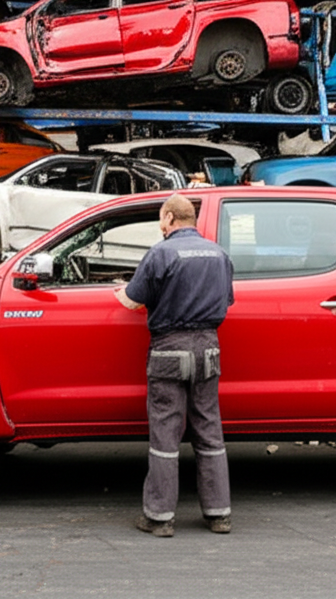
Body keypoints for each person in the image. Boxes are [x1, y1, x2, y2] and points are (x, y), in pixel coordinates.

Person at [115, 193, 235, 538]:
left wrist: (118, 290)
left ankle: (160, 517)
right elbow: (226, 300)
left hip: (169, 351)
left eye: (161, 218)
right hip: (208, 350)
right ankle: (219, 515)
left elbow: (132, 299)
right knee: (209, 430)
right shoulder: (219, 254)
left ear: (169, 218)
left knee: (166, 435)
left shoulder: (161, 252)